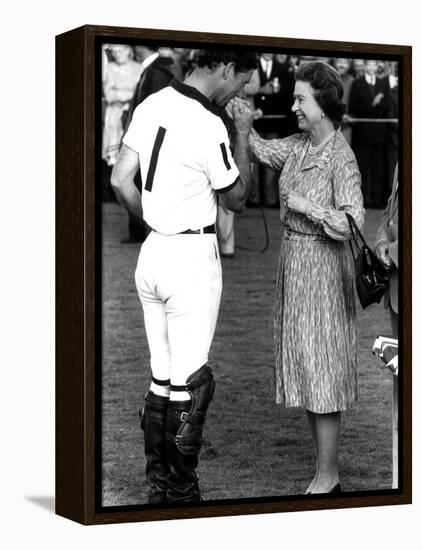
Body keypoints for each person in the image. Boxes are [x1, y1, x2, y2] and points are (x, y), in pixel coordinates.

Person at [110, 49, 256, 503]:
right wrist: (244, 134)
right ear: (227, 69)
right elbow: (236, 199)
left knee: (161, 378)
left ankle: (160, 486)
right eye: (242, 81)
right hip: (190, 253)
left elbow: (119, 179)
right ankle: (180, 489)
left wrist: (151, 220)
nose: (239, 92)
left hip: (152, 254)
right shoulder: (209, 122)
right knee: (191, 383)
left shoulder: (151, 101)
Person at [233, 61, 365, 494]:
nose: (293, 106)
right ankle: (325, 472)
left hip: (324, 275)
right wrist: (239, 119)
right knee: (309, 371)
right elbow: (261, 150)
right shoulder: (301, 145)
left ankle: (329, 476)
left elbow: (353, 223)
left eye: (300, 98)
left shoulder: (340, 157)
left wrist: (308, 207)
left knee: (323, 373)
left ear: (323, 105)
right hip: (297, 268)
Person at [120, 46, 175, 243]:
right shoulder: (154, 69)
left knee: (139, 183)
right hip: (147, 141)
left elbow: (156, 113)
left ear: (142, 48)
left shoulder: (157, 72)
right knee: (136, 182)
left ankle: (150, 228)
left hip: (151, 143)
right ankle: (140, 230)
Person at [375, 163, 399, 488]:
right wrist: (381, 242)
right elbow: (388, 211)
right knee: (401, 397)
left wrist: (392, 251)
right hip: (397, 291)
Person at [348, 59, 392, 208]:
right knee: (363, 168)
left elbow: (387, 106)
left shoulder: (383, 83)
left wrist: (379, 104)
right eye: (369, 64)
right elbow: (353, 106)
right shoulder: (357, 83)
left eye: (375, 64)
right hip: (362, 133)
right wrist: (372, 103)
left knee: (378, 168)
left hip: (379, 133)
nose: (372, 67)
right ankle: (363, 199)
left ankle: (377, 199)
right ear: (365, 66)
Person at [101, 44, 141, 201]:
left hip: (131, 113)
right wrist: (128, 94)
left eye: (121, 51)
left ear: (129, 51)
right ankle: (113, 191)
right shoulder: (109, 68)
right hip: (115, 115)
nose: (117, 54)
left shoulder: (138, 67)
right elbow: (109, 94)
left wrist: (121, 93)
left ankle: (128, 188)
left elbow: (139, 93)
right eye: (114, 52)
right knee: (114, 149)